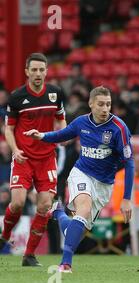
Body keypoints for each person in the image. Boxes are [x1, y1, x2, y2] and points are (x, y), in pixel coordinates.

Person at [24, 86, 134, 273]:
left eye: (108, 104)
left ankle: (58, 212)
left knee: (75, 232)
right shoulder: (81, 122)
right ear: (91, 104)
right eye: (100, 104)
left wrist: (126, 198)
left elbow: (129, 162)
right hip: (81, 173)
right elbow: (62, 135)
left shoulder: (119, 128)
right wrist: (42, 136)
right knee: (83, 209)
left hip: (104, 184)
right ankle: (65, 263)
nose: (105, 108)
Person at [0, 53, 66, 267]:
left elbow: (61, 120)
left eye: (41, 70)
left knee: (45, 206)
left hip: (47, 158)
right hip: (24, 158)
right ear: (27, 72)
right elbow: (8, 128)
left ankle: (29, 255)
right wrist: (15, 150)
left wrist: (62, 136)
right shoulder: (17, 97)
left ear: (46, 71)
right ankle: (4, 235)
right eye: (34, 70)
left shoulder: (56, 94)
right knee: (18, 203)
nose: (38, 74)